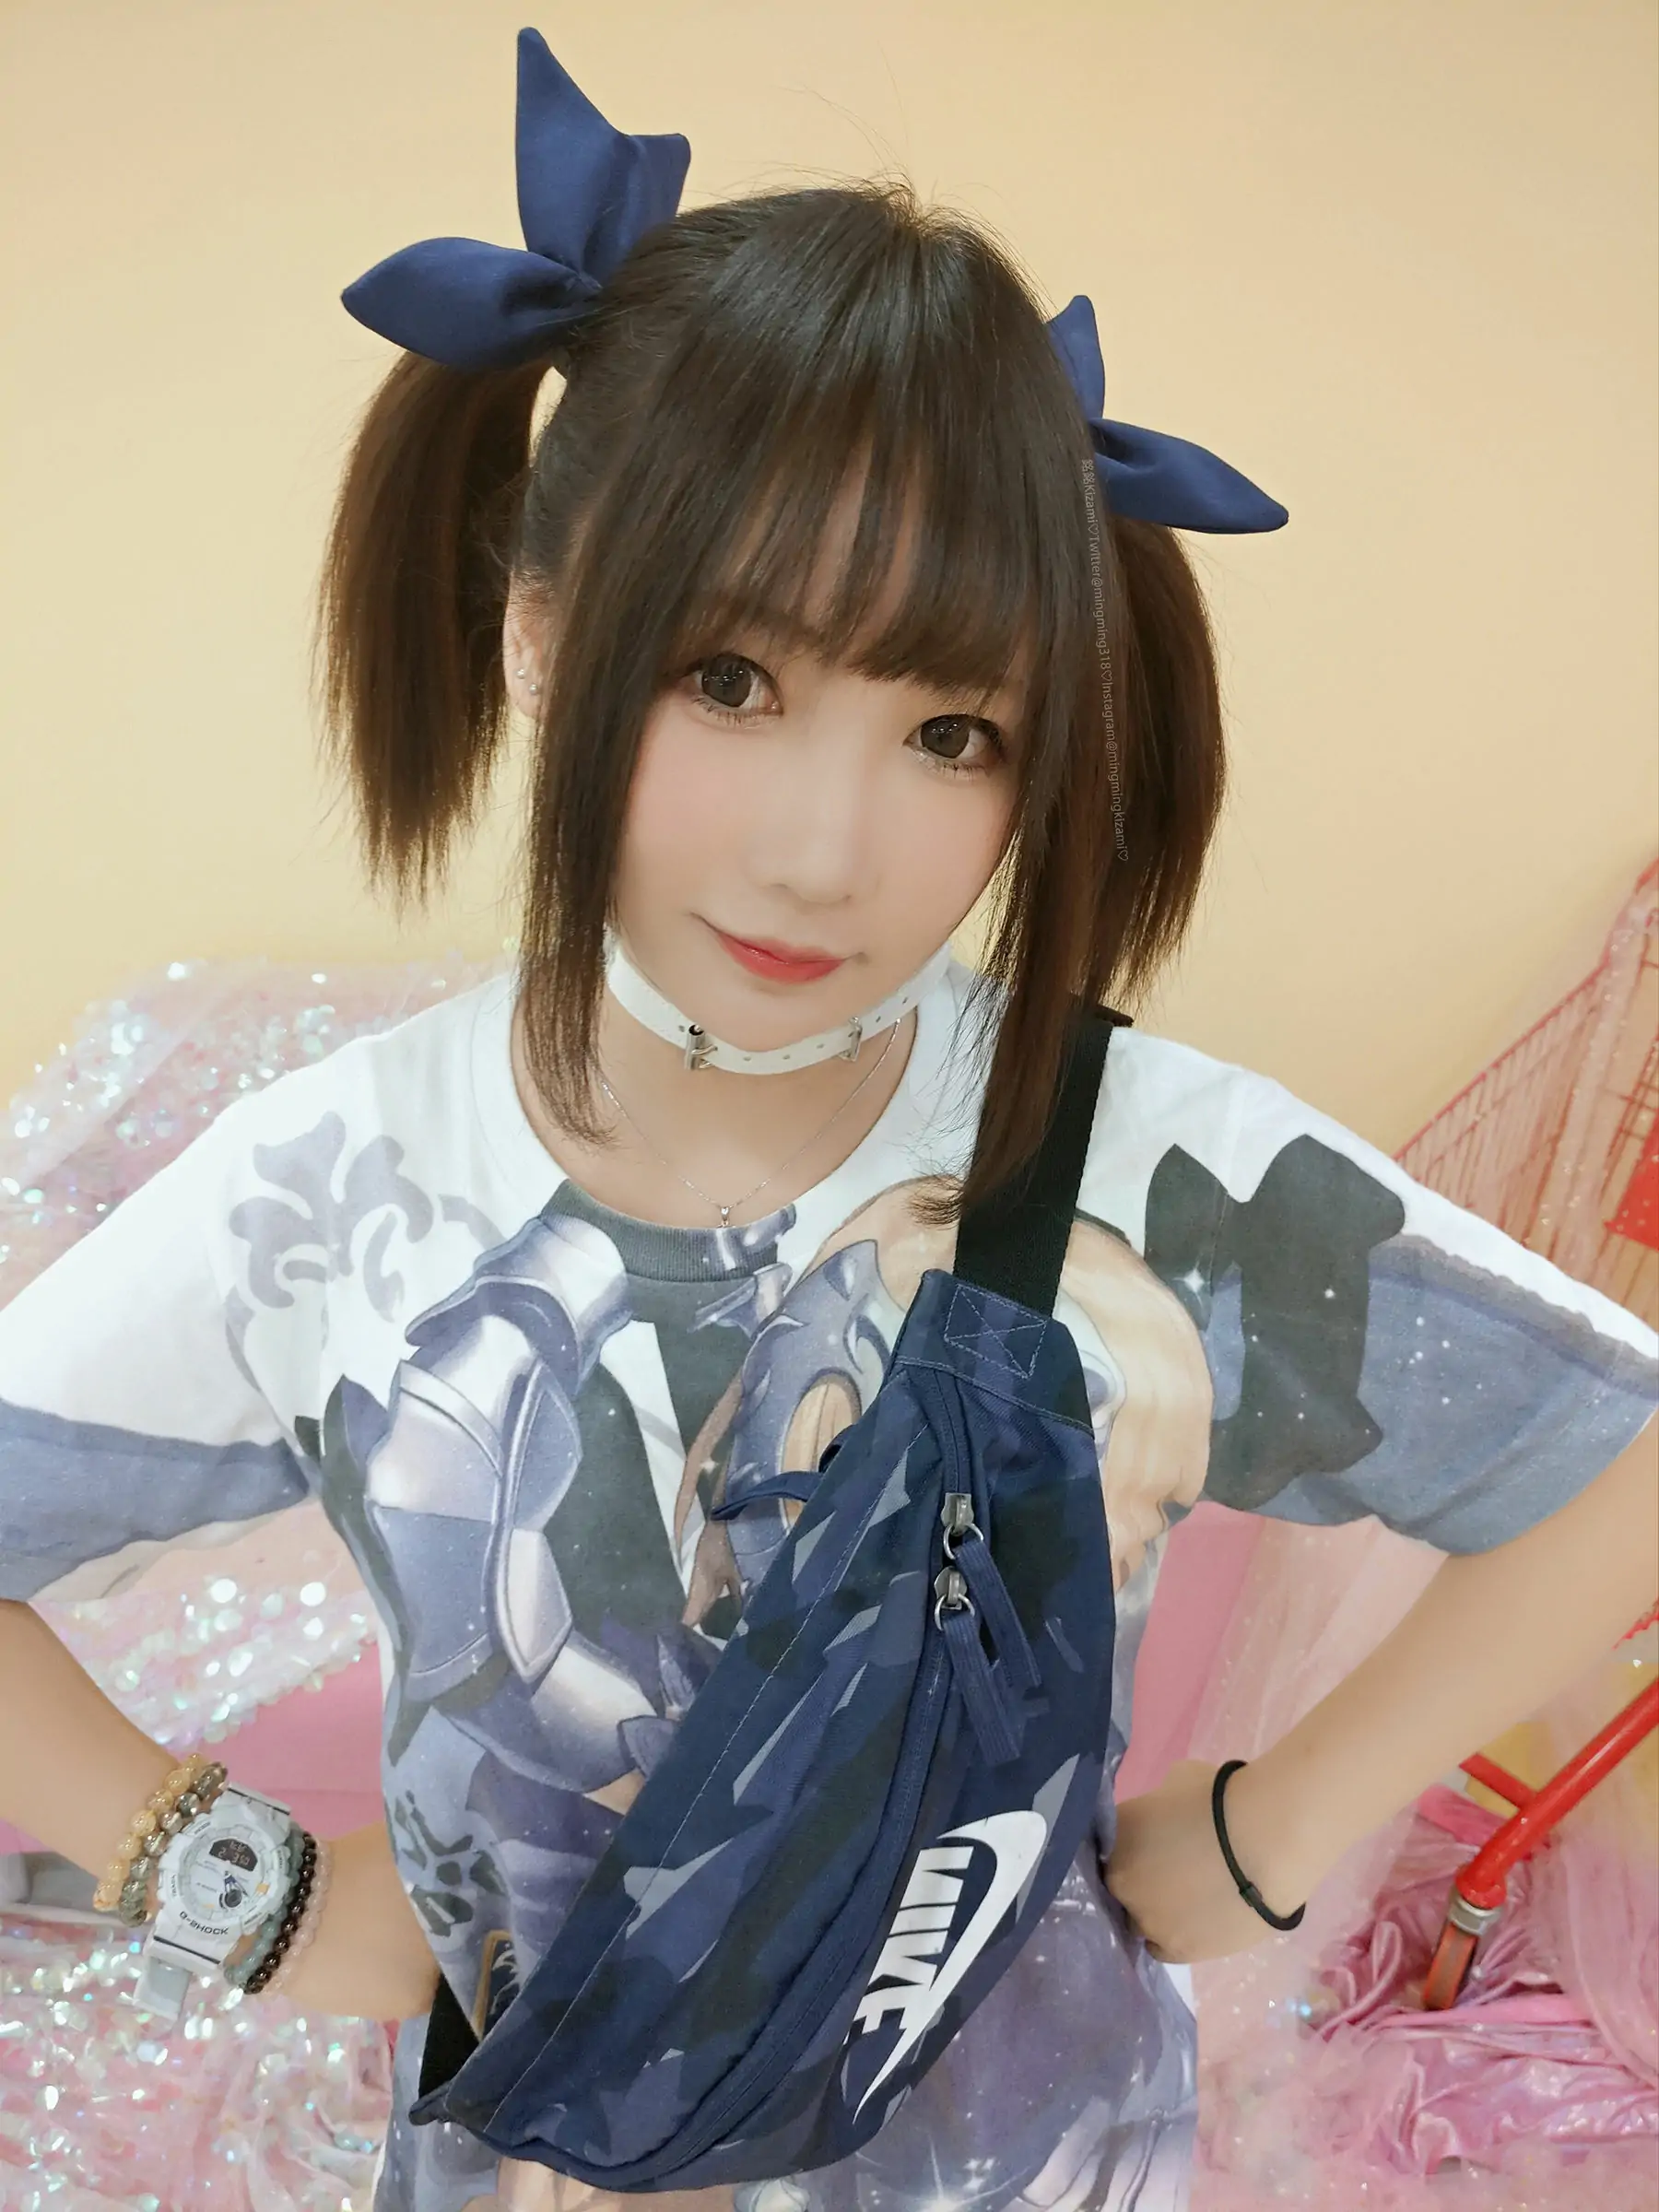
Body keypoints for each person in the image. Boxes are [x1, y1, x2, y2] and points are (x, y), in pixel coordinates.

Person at [2, 31, 1655, 2212]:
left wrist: (1272, 1835)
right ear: (540, 634)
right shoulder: (346, 1188)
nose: (823, 851)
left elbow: (1622, 1469)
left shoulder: (1139, 1170)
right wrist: (238, 1884)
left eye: (954, 730)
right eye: (729, 679)